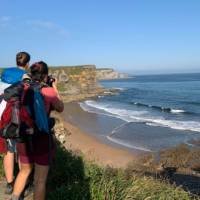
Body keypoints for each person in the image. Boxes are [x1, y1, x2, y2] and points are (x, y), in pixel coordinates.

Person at [10, 61, 64, 200]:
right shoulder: (48, 91)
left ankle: (15, 197)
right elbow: (60, 107)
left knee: (24, 171)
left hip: (23, 135)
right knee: (39, 181)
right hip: (41, 137)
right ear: (45, 75)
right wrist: (55, 88)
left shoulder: (23, 87)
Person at [0, 52, 30, 194]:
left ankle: (10, 182)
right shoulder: (25, 76)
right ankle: (21, 183)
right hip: (14, 117)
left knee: (8, 150)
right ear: (27, 64)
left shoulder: (5, 72)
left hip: (1, 116)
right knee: (20, 149)